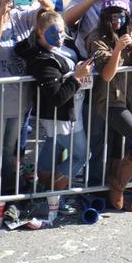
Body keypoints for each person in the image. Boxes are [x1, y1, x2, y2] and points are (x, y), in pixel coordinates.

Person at [86, 0, 132, 212]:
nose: (117, 21)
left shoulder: (128, 34)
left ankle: (115, 196)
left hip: (130, 99)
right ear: (105, 17)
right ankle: (115, 188)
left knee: (118, 148)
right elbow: (106, 74)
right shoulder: (96, 37)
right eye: (112, 16)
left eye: (121, 16)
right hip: (109, 101)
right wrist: (117, 50)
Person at [15, 10, 92, 197]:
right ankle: (53, 194)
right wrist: (77, 77)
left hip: (73, 108)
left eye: (62, 31)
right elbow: (56, 97)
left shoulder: (64, 44)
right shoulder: (42, 60)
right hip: (62, 115)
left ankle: (43, 190)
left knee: (54, 143)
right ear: (40, 32)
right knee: (82, 155)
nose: (59, 37)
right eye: (54, 33)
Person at [0, 0, 51, 196]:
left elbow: (49, 14)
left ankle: (7, 194)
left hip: (19, 100)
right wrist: (0, 12)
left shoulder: (19, 16)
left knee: (10, 150)